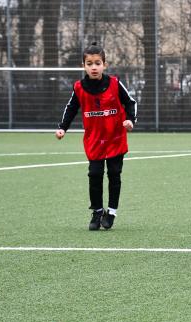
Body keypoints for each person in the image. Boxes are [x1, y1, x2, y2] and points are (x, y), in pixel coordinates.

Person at [55, 42, 137, 230]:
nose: (94, 67)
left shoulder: (115, 84)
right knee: (95, 174)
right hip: (94, 140)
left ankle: (112, 212)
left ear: (104, 65)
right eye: (90, 63)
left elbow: (130, 102)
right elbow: (71, 108)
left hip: (115, 138)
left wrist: (130, 120)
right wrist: (62, 128)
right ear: (83, 65)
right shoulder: (79, 88)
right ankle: (97, 212)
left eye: (98, 63)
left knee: (114, 174)